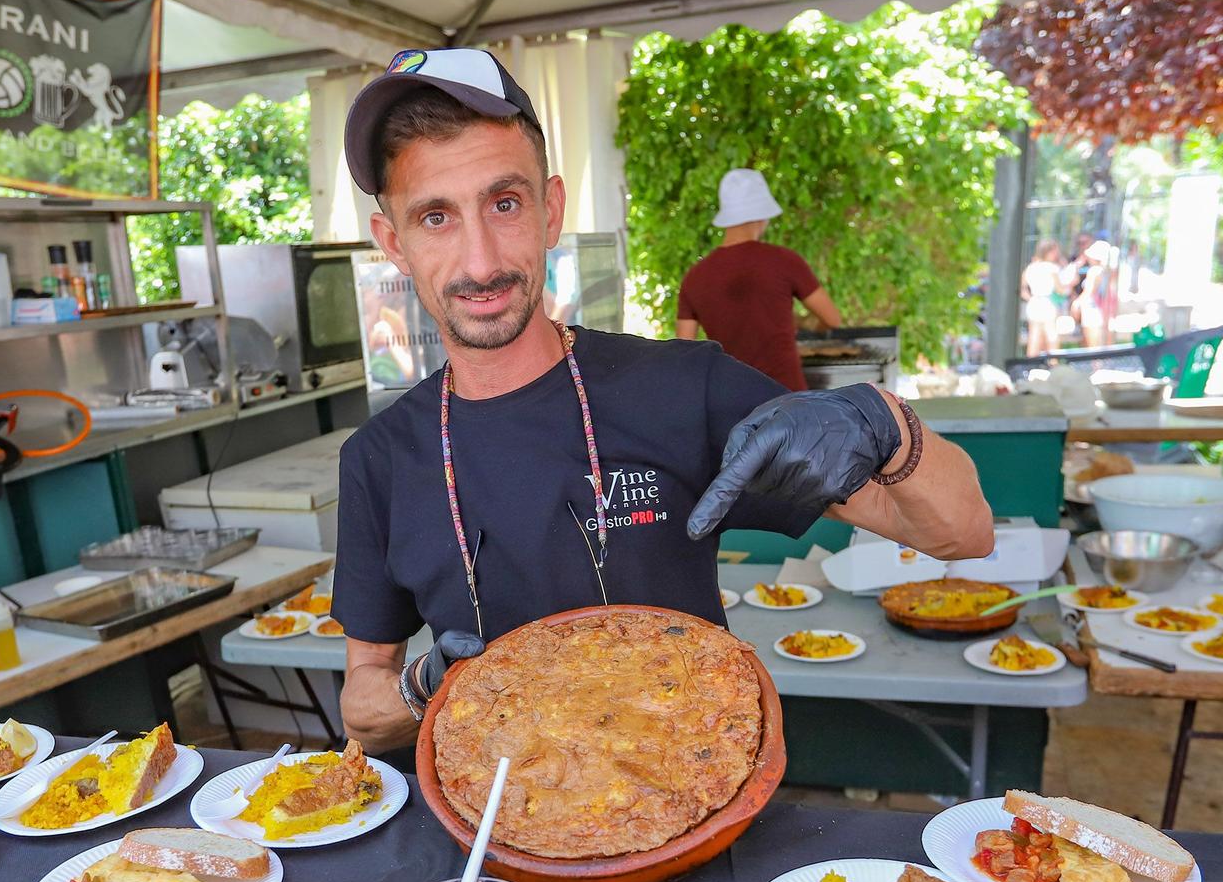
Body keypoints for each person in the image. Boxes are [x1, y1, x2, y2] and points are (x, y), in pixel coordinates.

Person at [330, 48, 994, 751]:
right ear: (392, 243)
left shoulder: (684, 387)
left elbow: (963, 534)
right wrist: (422, 683)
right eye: (436, 217)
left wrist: (883, 425)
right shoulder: (380, 459)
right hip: (489, 827)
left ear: (550, 211)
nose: (481, 260)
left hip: (693, 799)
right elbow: (363, 706)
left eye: (505, 203)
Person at [674, 169, 843, 391]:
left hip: (729, 402)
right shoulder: (784, 260)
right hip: (786, 400)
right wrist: (809, 325)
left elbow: (685, 352)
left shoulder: (694, 277)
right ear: (762, 216)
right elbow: (832, 318)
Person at [1022, 238, 1063, 356]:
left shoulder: (1031, 267)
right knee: (1051, 334)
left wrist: (1031, 298)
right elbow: (1060, 290)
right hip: (1047, 302)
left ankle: (1030, 365)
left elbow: (1022, 288)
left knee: (1034, 335)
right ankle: (1053, 363)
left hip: (1034, 302)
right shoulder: (1052, 268)